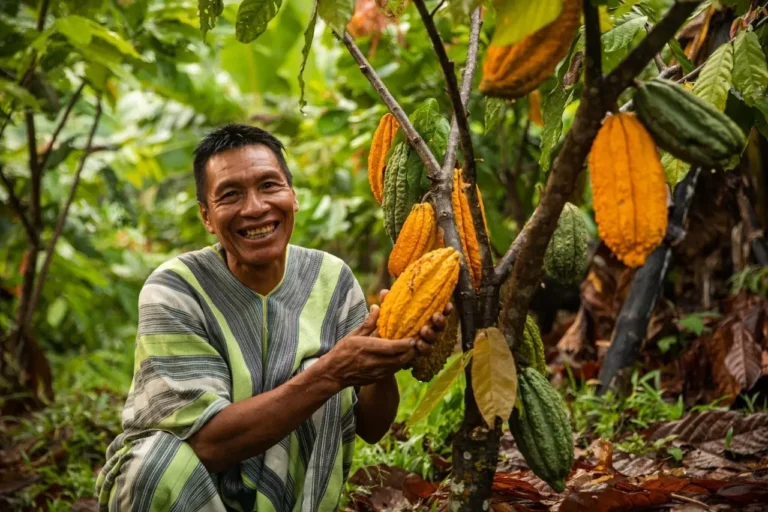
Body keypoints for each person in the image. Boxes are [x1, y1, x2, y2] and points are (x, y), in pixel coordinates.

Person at [95, 124, 451, 512]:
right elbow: (210, 444)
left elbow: (371, 426)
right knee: (155, 465)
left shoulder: (332, 280)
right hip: (189, 495)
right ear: (207, 217)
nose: (255, 207)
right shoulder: (175, 290)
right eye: (231, 194)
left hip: (293, 498)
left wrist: (383, 358)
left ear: (293, 197)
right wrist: (332, 372)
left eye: (269, 186)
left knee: (321, 390)